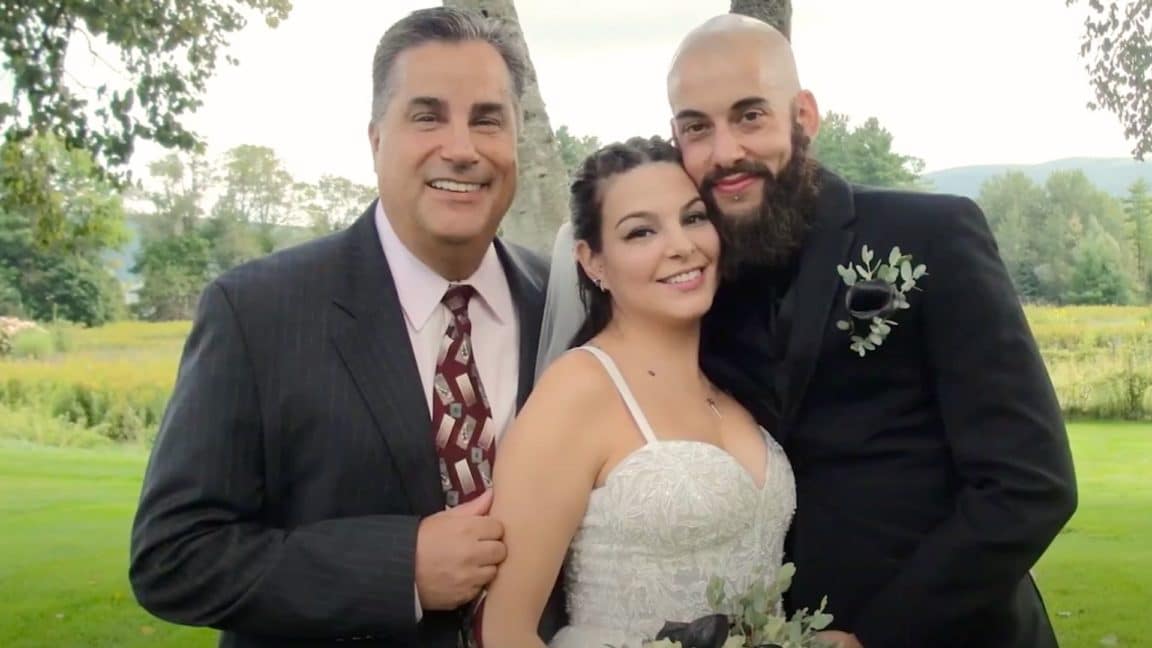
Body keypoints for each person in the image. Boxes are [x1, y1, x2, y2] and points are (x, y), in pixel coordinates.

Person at [129, 8, 563, 647]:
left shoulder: (564, 304)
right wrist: (399, 569)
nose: (463, 148)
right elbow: (174, 556)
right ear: (376, 139)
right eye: (427, 115)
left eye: (487, 120)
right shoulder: (258, 313)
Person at [669, 14, 1078, 648]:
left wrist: (877, 636)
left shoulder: (931, 236)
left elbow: (1030, 485)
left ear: (804, 114)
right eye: (697, 127)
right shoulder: (697, 288)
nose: (724, 151)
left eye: (749, 116)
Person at [479, 135, 798, 648]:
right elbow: (506, 631)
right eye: (641, 231)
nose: (681, 246)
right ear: (593, 262)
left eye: (694, 218)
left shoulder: (736, 384)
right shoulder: (577, 391)